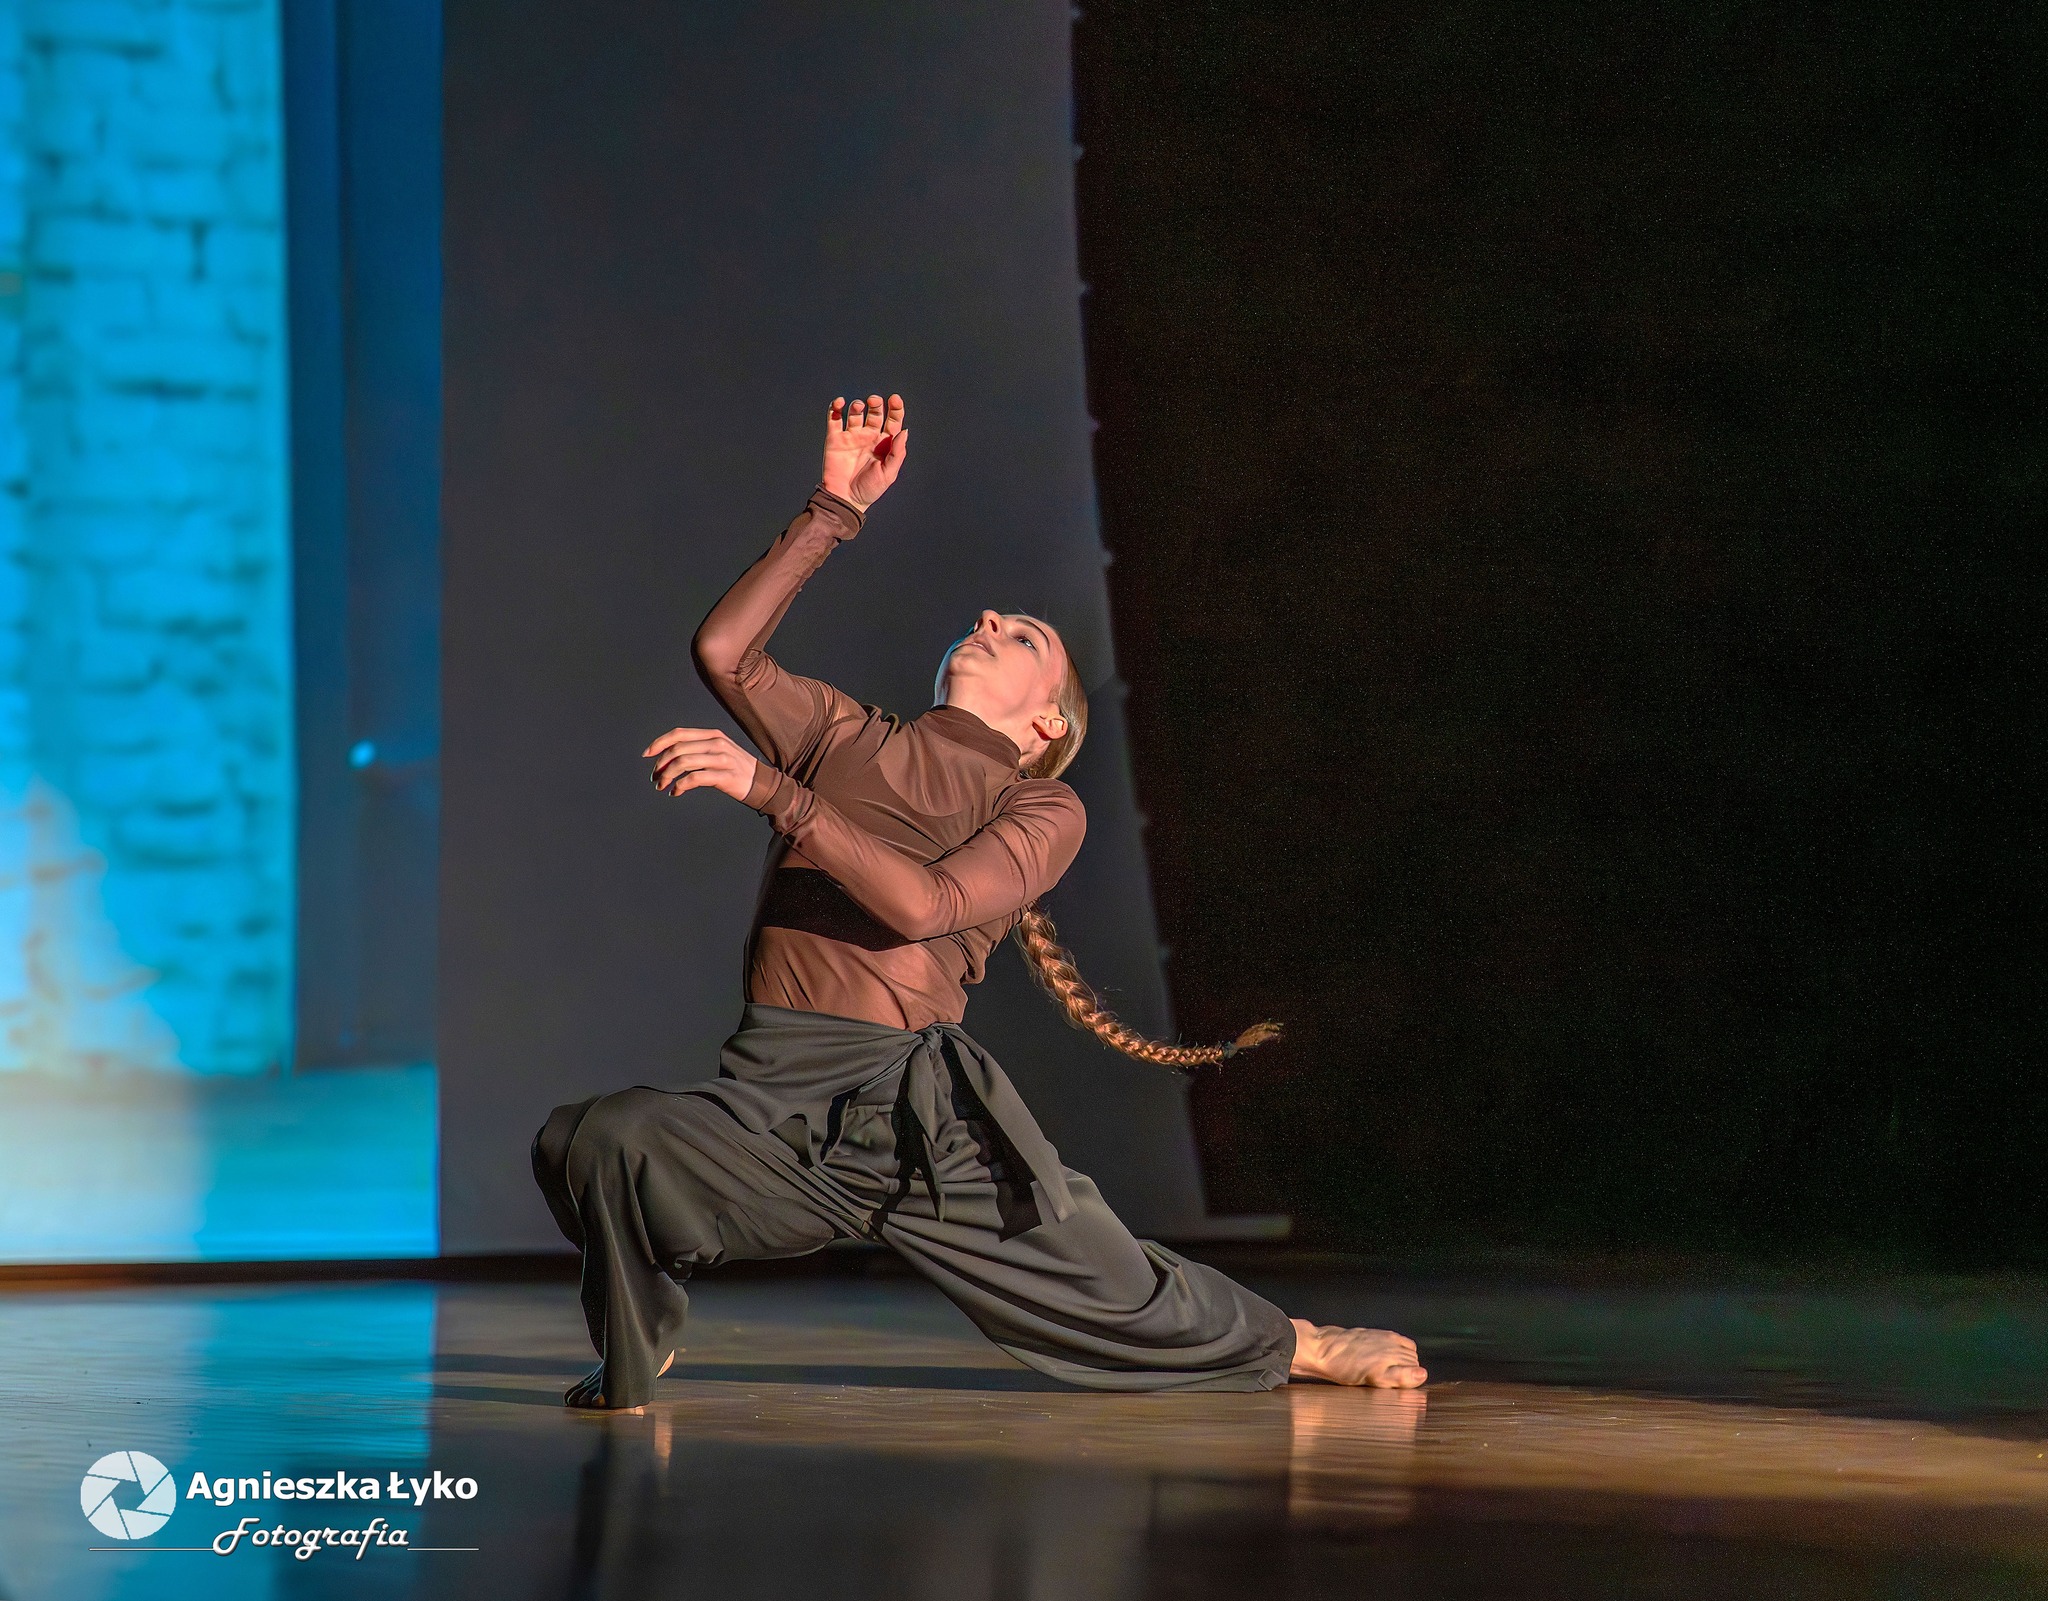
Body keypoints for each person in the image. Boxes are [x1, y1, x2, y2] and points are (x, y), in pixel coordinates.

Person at [531, 393, 1427, 1410]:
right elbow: (725, 655)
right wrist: (834, 507)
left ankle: (1299, 1340)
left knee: (1113, 1287)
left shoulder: (1040, 806)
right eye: (987, 619)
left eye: (1025, 634)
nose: (990, 621)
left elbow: (925, 905)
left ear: (1048, 721)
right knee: (591, 1138)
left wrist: (773, 792)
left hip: (911, 1115)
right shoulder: (846, 737)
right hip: (771, 1099)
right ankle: (644, 1328)